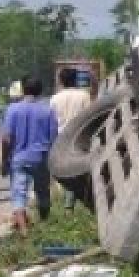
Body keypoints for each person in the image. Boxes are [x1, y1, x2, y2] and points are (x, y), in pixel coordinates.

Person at [2, 74, 59, 235]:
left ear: (23, 89)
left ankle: (24, 231)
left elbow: (7, 138)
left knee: (18, 194)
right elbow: (54, 138)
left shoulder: (13, 109)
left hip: (18, 158)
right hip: (41, 157)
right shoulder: (47, 110)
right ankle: (45, 226)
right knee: (42, 192)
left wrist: (4, 160)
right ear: (40, 90)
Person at [48, 67, 92, 209]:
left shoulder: (55, 98)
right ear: (76, 80)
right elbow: (89, 115)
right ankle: (75, 202)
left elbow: (52, 121)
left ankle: (67, 203)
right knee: (78, 170)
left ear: (61, 81)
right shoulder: (84, 95)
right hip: (79, 136)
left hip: (60, 137)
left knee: (64, 171)